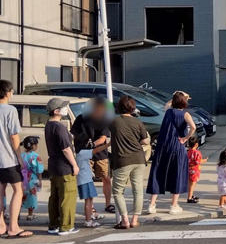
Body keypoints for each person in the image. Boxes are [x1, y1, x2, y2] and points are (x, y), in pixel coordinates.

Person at [0, 79, 32, 239]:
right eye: (12, 91)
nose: (12, 93)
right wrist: (19, 156)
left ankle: (1, 226)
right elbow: (14, 136)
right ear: (7, 93)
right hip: (8, 159)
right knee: (18, 190)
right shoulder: (10, 110)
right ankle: (13, 227)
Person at [146, 91, 195, 215]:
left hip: (163, 146)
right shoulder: (185, 114)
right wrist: (186, 138)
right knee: (176, 173)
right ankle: (173, 205)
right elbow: (193, 127)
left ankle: (152, 204)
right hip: (177, 146)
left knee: (158, 172)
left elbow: (167, 104)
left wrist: (176, 95)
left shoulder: (168, 112)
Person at [110, 95, 150, 228]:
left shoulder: (115, 122)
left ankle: (125, 220)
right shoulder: (138, 122)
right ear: (133, 107)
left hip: (122, 160)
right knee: (137, 189)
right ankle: (135, 219)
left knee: (117, 191)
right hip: (139, 158)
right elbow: (145, 140)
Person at [71, 96, 113, 214]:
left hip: (101, 153)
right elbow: (74, 134)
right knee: (88, 180)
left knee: (106, 178)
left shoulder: (104, 120)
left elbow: (103, 137)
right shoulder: (81, 119)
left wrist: (93, 144)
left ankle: (108, 204)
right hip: (84, 154)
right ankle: (91, 206)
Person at [45, 97, 79, 235]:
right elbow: (66, 149)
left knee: (55, 197)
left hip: (53, 165)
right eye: (63, 107)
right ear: (57, 111)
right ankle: (66, 226)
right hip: (64, 166)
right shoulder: (60, 127)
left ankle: (53, 224)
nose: (66, 109)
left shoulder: (49, 125)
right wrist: (74, 165)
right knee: (67, 197)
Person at [20, 136, 44, 221]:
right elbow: (39, 169)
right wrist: (40, 180)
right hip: (32, 178)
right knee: (31, 195)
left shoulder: (21, 155)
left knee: (20, 195)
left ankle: (17, 213)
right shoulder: (36, 156)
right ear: (33, 146)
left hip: (21, 178)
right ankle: (30, 214)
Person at [187, 135, 207, 204]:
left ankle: (190, 195)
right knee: (193, 184)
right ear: (196, 144)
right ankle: (189, 198)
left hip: (189, 169)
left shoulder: (188, 152)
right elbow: (197, 162)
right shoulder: (197, 153)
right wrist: (204, 160)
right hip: (195, 170)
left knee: (190, 184)